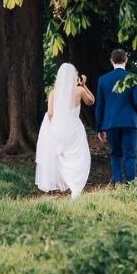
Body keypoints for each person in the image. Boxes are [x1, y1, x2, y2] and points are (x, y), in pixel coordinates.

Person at [35, 62, 93, 197]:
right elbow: (91, 101)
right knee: (79, 157)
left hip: (58, 129)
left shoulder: (53, 93)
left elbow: (50, 113)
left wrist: (51, 128)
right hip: (75, 129)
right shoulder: (79, 91)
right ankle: (76, 187)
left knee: (62, 158)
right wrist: (84, 85)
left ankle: (69, 184)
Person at [95, 48, 137, 185]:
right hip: (129, 121)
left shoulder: (103, 80)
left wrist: (99, 128)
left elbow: (100, 105)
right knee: (130, 154)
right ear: (126, 60)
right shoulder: (132, 78)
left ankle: (117, 182)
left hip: (110, 123)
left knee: (115, 153)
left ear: (111, 61)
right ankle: (130, 183)